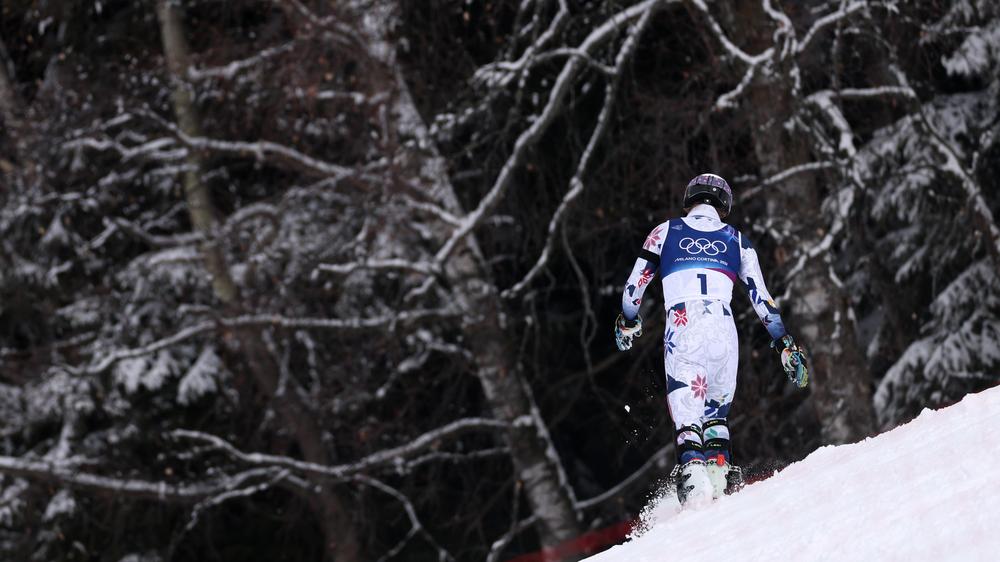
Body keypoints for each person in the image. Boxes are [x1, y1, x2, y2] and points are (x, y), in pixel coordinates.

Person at [613, 173, 809, 506]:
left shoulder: (665, 231)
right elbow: (763, 301)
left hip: (684, 324)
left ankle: (693, 485)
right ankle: (720, 478)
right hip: (723, 326)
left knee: (688, 418)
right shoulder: (738, 240)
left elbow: (634, 289)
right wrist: (785, 344)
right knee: (716, 415)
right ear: (724, 205)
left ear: (690, 199)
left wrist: (628, 322)